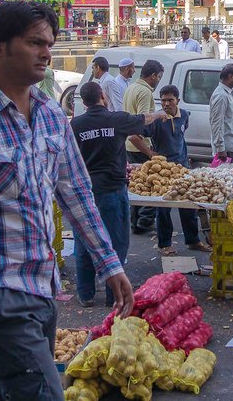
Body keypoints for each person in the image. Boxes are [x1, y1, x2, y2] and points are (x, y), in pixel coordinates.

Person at [0, 0, 133, 398]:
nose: (47, 52)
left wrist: (109, 263)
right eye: (34, 42)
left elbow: (78, 195)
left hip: (41, 285)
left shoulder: (50, 115)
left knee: (5, 392)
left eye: (48, 42)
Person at [71, 82, 165, 306]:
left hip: (85, 191)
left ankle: (85, 294)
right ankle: (114, 295)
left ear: (83, 102)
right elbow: (143, 119)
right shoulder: (116, 119)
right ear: (103, 96)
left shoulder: (75, 125)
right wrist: (159, 114)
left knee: (85, 241)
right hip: (112, 190)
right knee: (116, 242)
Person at [150, 86, 209, 255]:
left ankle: (193, 241)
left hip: (183, 167)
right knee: (163, 208)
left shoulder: (183, 115)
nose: (166, 104)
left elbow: (180, 136)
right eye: (163, 100)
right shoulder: (156, 120)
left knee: (188, 205)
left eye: (170, 100)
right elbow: (135, 137)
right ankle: (164, 244)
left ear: (178, 101)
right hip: (164, 171)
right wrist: (150, 153)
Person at [123, 59, 165, 233]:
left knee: (136, 185)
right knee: (151, 185)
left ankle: (136, 223)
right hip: (139, 145)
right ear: (153, 75)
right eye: (159, 77)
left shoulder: (132, 87)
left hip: (130, 145)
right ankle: (145, 222)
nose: (159, 80)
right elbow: (141, 122)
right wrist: (150, 152)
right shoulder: (145, 92)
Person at [210, 63, 233, 162]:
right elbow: (216, 123)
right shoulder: (221, 95)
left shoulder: (229, 92)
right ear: (230, 76)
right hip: (228, 150)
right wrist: (220, 149)